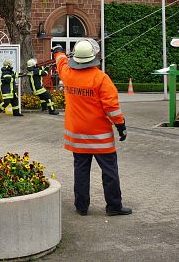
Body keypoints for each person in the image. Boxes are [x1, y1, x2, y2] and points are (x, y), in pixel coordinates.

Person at [52, 40, 131, 216]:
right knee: (109, 172)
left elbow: (61, 62)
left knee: (81, 171)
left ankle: (81, 207)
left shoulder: (68, 74)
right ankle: (114, 206)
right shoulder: (101, 78)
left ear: (76, 58)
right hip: (100, 137)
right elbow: (111, 108)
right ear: (93, 57)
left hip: (77, 136)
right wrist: (121, 126)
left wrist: (58, 50)